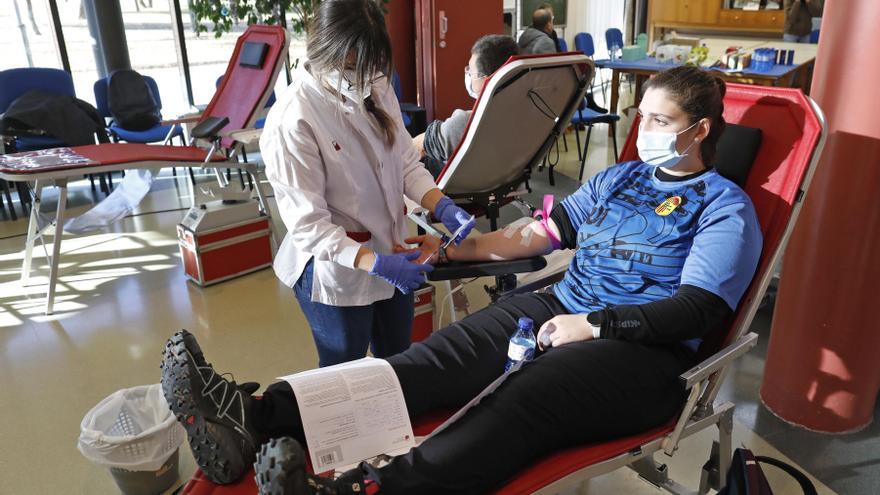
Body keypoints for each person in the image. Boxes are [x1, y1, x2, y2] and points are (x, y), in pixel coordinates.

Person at [162, 65, 763, 494]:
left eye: (662, 119)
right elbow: (539, 235)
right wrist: (450, 248)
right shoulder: (621, 178)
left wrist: (594, 324)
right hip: (562, 305)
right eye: (644, 115)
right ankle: (252, 416)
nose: (646, 127)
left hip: (642, 352)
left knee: (520, 399)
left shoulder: (723, 208)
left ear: (700, 129)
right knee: (427, 362)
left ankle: (368, 490)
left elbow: (696, 311)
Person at [258, 0, 476, 368]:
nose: (365, 78)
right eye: (352, 67)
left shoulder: (374, 85)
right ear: (324, 51)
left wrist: (441, 204)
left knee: (399, 363)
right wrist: (375, 263)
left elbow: (406, 161)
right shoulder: (294, 119)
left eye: (371, 66)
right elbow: (309, 227)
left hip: (391, 251)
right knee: (348, 376)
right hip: (335, 271)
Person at [412, 34, 519, 177]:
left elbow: (415, 148)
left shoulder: (464, 123)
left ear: (487, 80)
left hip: (454, 190)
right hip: (501, 184)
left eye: (470, 70)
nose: (467, 73)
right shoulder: (524, 114)